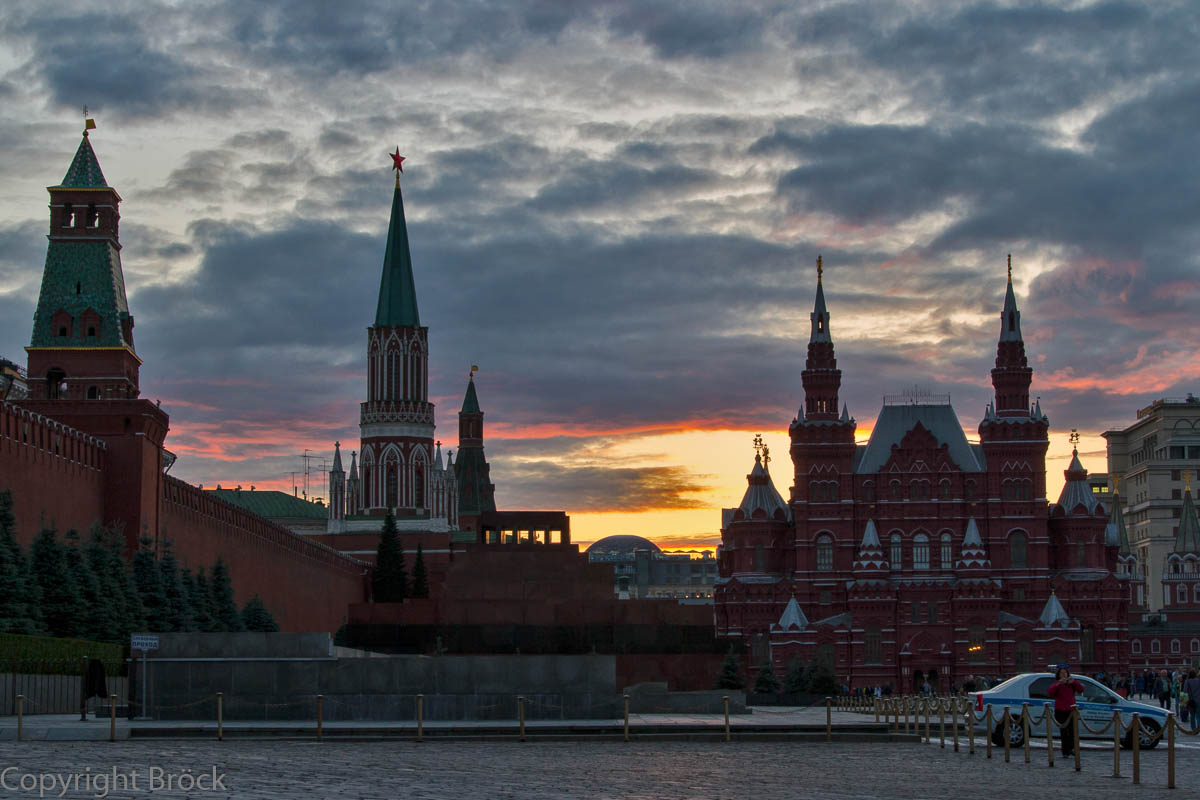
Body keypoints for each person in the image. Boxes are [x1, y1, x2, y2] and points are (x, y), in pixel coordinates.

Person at [1047, 666, 1084, 757]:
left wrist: (1074, 682)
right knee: (1064, 731)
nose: (1063, 674)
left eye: (1065, 673)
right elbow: (1050, 692)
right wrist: (1058, 684)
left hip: (1071, 710)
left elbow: (1081, 690)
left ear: (1068, 674)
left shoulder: (1072, 683)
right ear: (1058, 675)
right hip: (1060, 710)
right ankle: (1065, 751)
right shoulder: (1056, 684)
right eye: (1061, 673)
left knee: (1072, 731)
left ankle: (1071, 748)